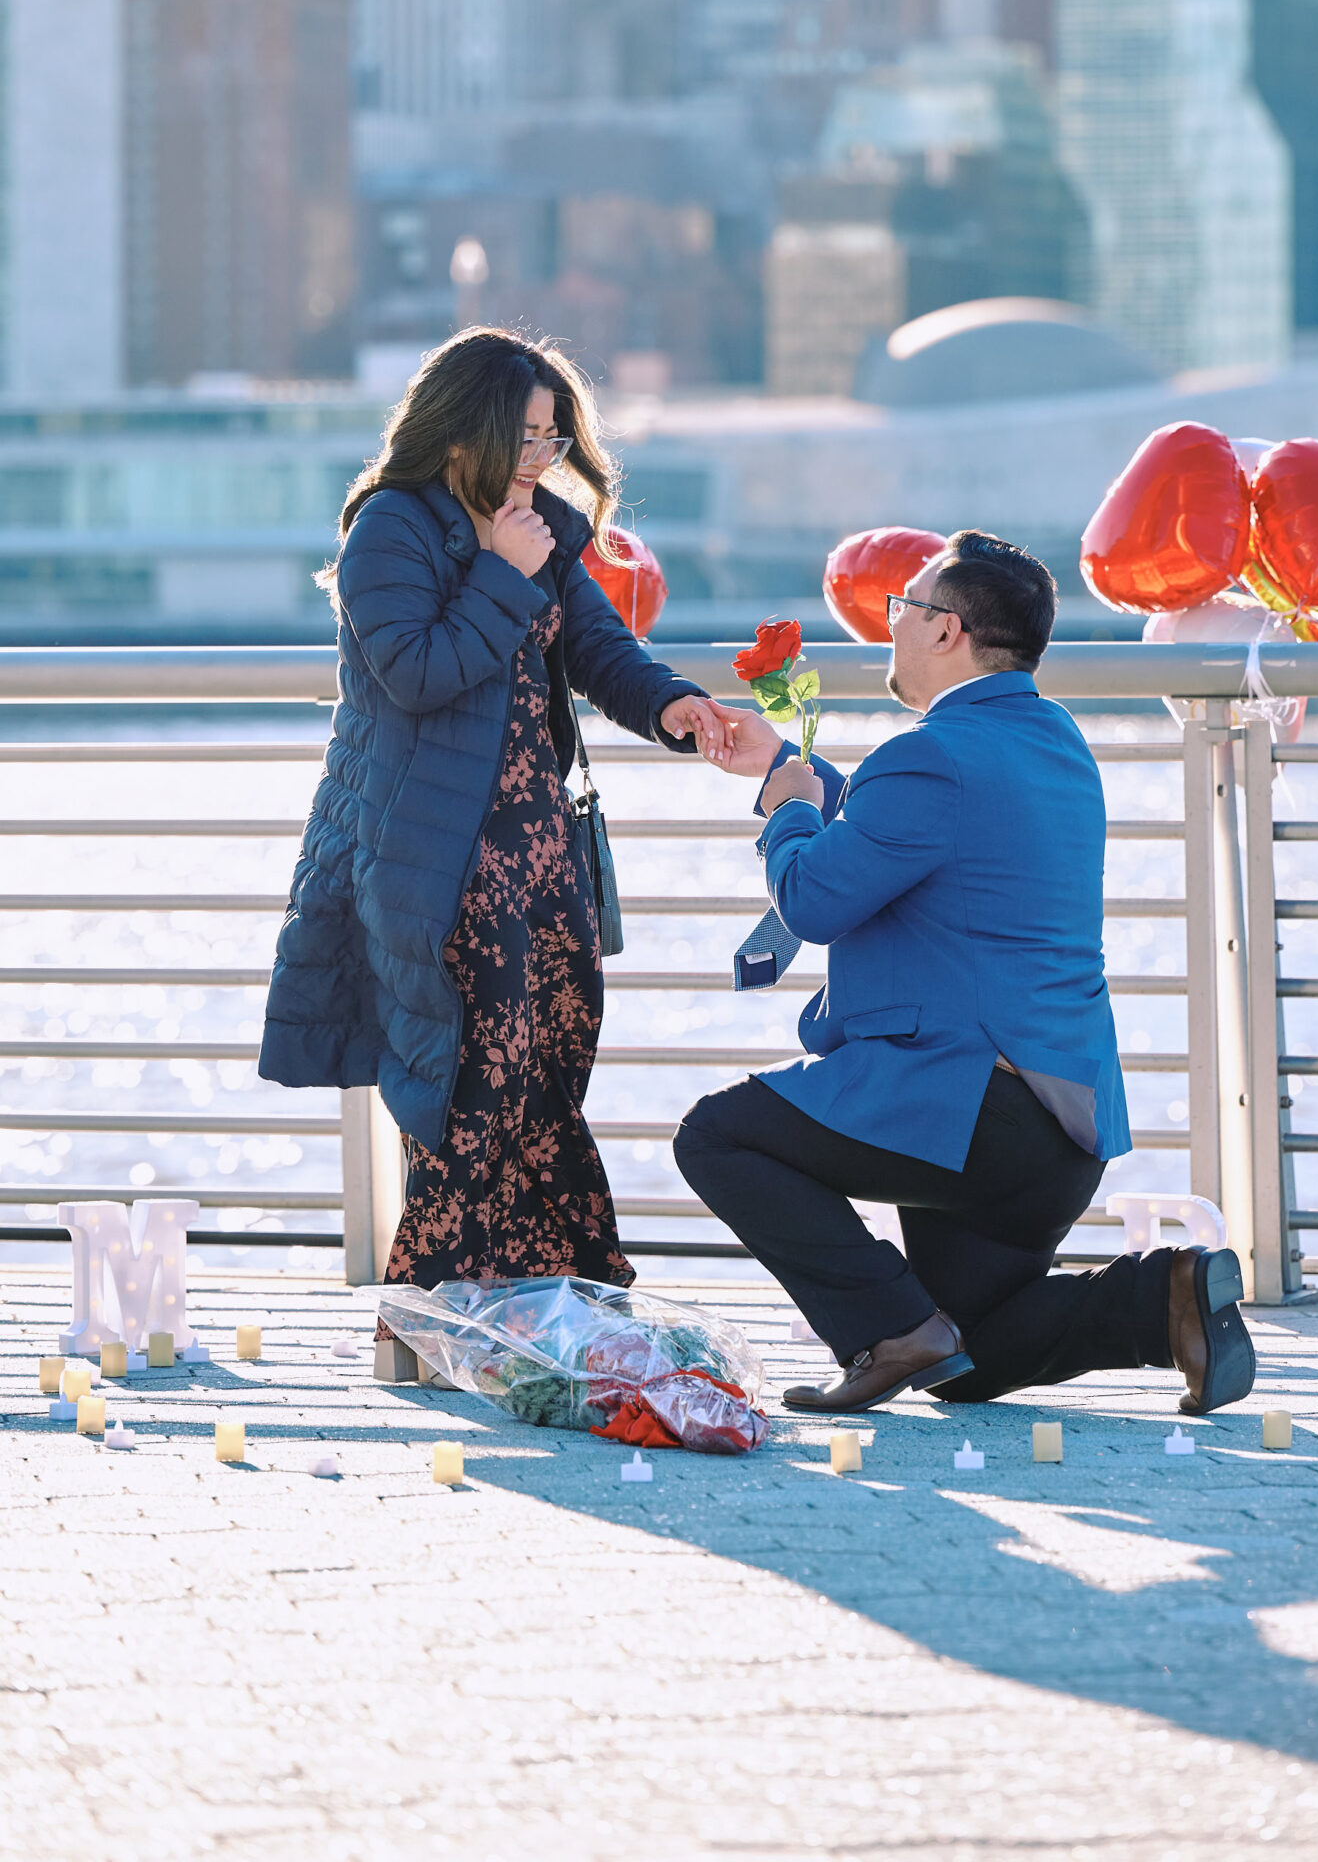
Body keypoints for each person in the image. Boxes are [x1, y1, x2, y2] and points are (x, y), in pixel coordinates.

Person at [675, 531, 1257, 1415]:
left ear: (947, 630)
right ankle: (1162, 1298)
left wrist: (788, 812)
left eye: (903, 608)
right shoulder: (1054, 742)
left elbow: (817, 901)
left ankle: (885, 1330)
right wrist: (792, 773)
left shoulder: (930, 755)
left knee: (716, 1137)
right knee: (973, 1355)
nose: (894, 624)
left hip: (963, 1111)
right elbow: (918, 834)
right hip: (1058, 1129)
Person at [260, 328, 733, 1340]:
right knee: (481, 1067)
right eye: (526, 434)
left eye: (554, 438)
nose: (541, 456)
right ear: (465, 423)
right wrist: (503, 572)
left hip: (539, 845)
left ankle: (539, 1308)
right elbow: (416, 672)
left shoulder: (538, 526)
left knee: (554, 1059)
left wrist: (675, 709)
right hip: (441, 852)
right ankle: (429, 1313)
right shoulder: (392, 526)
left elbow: (602, 652)